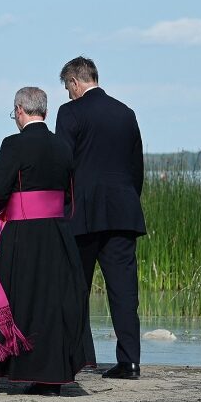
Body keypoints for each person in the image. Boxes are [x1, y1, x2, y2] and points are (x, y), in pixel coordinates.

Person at [0, 87, 92, 396]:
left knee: (3, 299)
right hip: (57, 235)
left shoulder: (13, 144)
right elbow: (70, 193)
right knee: (50, 304)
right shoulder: (62, 146)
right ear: (45, 111)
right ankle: (48, 379)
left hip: (22, 235)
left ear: (19, 110)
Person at [55, 56, 146, 380]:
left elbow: (63, 163)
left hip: (82, 215)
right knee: (124, 291)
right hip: (123, 212)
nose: (68, 94)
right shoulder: (125, 113)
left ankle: (80, 359)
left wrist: (63, 205)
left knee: (74, 287)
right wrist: (127, 199)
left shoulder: (70, 113)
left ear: (75, 82)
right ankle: (130, 362)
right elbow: (136, 168)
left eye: (68, 87)